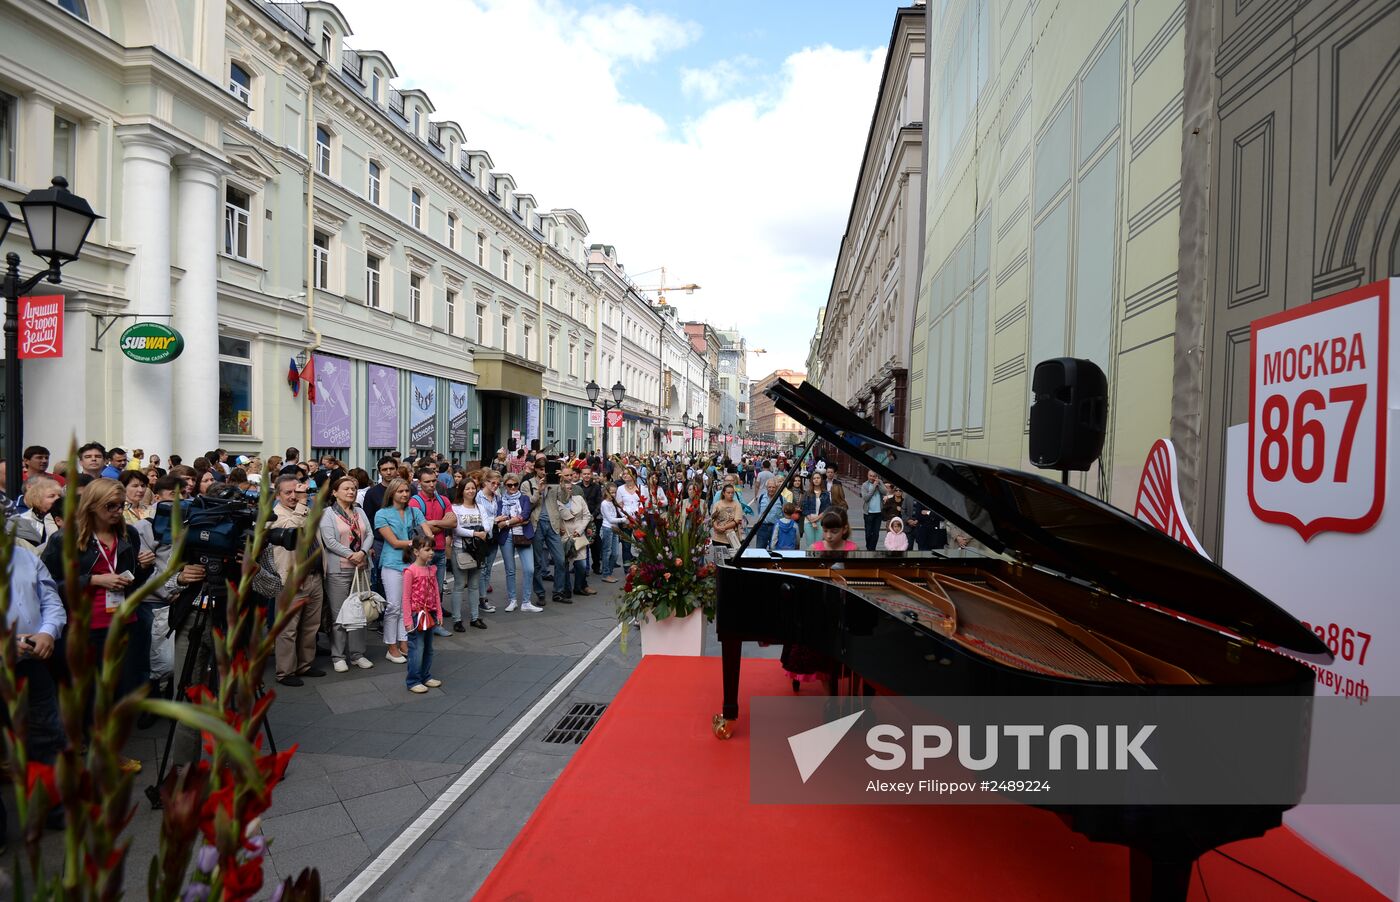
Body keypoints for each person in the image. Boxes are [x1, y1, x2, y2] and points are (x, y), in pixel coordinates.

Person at [40, 478, 154, 774]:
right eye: (110, 506)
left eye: (121, 505)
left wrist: (144, 568)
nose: (118, 511)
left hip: (122, 622)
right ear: (91, 506)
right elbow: (48, 585)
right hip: (83, 626)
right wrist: (92, 580)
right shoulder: (66, 539)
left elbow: (132, 584)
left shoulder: (127, 535)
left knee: (116, 691)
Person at [1, 544, 68, 844]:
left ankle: (51, 809)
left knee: (46, 737)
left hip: (30, 665)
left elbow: (50, 597)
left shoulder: (23, 555)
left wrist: (47, 631)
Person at [271, 474, 325, 685]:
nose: (294, 496)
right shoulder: (274, 515)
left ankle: (304, 664)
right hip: (291, 580)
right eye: (288, 492)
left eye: (297, 491)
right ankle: (285, 672)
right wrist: (303, 503)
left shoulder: (306, 510)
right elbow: (292, 527)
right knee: (287, 629)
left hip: (313, 576)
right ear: (278, 495)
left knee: (311, 626)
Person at [321, 475, 375, 674]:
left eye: (353, 488)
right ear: (335, 492)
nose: (351, 492)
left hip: (360, 568)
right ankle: (338, 655)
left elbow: (369, 534)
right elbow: (329, 541)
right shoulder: (328, 514)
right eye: (346, 488)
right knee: (339, 614)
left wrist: (361, 553)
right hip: (339, 570)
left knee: (359, 612)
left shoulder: (359, 511)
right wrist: (351, 554)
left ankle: (358, 654)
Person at [374, 477, 422, 664]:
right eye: (400, 491)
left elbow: (426, 528)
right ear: (392, 493)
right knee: (393, 606)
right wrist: (417, 543)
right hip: (392, 563)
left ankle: (403, 642)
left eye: (407, 491)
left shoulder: (414, 511)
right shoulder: (382, 514)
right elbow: (393, 542)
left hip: (410, 563)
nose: (404, 494)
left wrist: (429, 534)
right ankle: (390, 646)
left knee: (406, 606)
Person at [408, 468, 456, 637]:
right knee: (422, 590)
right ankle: (421, 622)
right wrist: (442, 523)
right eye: (427, 481)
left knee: (437, 590)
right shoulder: (415, 502)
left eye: (433, 480)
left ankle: (435, 623)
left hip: (441, 550)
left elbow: (453, 522)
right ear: (419, 483)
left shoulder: (443, 499)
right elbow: (420, 528)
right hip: (422, 554)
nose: (431, 484)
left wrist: (432, 522)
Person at [401, 535, 445, 694]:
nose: (431, 552)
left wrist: (439, 613)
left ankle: (425, 676)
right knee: (416, 648)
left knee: (428, 648)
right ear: (416, 551)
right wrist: (407, 620)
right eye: (427, 549)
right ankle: (413, 680)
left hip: (430, 613)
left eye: (432, 549)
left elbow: (435, 593)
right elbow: (405, 598)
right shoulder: (410, 571)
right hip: (416, 615)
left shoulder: (431, 569)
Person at [449, 477, 490, 630]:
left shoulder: (480, 507)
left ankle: (475, 617)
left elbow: (486, 526)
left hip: (477, 550)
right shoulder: (455, 508)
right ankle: (457, 620)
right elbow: (457, 529)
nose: (471, 491)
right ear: (462, 491)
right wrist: (475, 533)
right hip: (460, 548)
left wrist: (478, 533)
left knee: (474, 585)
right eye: (467, 488)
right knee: (459, 585)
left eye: (473, 488)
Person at [496, 473, 541, 612]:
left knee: (529, 569)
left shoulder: (524, 498)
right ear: (505, 486)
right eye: (509, 485)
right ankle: (513, 600)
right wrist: (517, 520)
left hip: (523, 535)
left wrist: (508, 522)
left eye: (515, 484)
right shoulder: (500, 501)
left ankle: (526, 602)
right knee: (510, 570)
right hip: (506, 537)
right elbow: (498, 521)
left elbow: (525, 515)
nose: (513, 487)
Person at [10, 476, 62, 553]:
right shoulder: (25, 520)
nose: (57, 498)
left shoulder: (63, 517)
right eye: (51, 496)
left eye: (59, 495)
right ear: (37, 498)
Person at [597, 482, 624, 583]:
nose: (613, 494)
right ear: (606, 492)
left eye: (615, 492)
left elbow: (619, 512)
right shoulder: (604, 503)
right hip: (607, 528)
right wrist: (623, 520)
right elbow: (610, 519)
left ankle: (609, 572)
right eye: (611, 492)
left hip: (615, 529)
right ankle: (606, 573)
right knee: (607, 551)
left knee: (615, 553)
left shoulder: (614, 502)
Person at [800, 471, 832, 549]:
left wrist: (816, 520)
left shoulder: (826, 494)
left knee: (819, 545)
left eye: (818, 478)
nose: (816, 480)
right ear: (812, 480)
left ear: (821, 479)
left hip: (821, 522)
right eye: (814, 478)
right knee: (810, 545)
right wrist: (812, 521)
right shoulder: (807, 493)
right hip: (808, 521)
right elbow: (804, 508)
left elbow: (826, 509)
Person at [709, 483, 745, 549]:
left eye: (732, 493)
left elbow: (737, 521)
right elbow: (713, 518)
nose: (731, 495)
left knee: (731, 558)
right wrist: (716, 527)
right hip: (718, 538)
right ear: (723, 493)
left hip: (732, 538)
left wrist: (724, 527)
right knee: (719, 558)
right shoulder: (717, 504)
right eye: (728, 493)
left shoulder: (737, 505)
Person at [859, 470, 887, 552]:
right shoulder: (865, 485)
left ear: (876, 476)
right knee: (868, 533)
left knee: (876, 533)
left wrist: (879, 484)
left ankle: (872, 549)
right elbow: (866, 498)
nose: (872, 478)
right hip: (868, 513)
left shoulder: (880, 482)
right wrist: (874, 487)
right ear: (868, 476)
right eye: (870, 476)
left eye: (874, 476)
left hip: (878, 513)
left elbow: (885, 492)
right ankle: (869, 548)